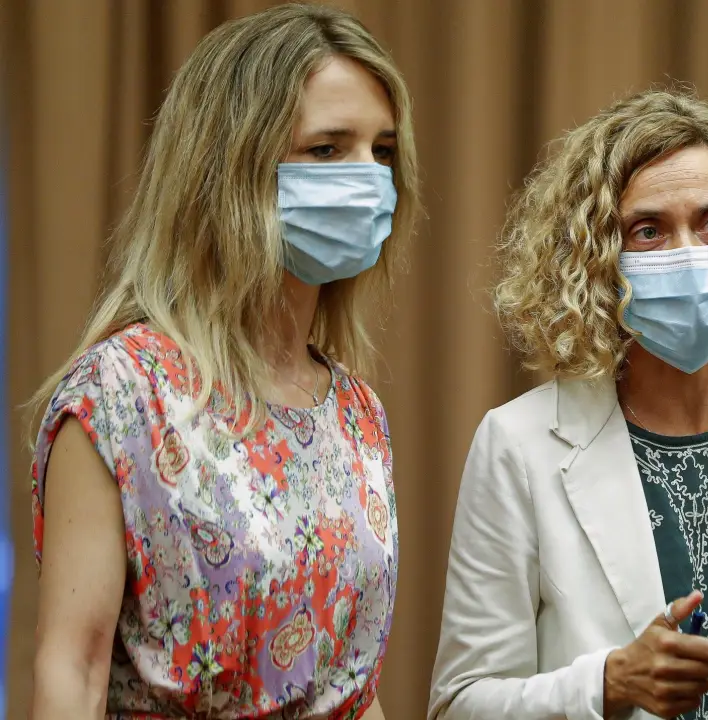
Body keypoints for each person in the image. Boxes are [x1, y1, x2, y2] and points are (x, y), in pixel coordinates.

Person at [28, 4, 421, 718]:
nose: (368, 178)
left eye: (383, 151)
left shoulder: (358, 413)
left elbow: (357, 691)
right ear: (232, 165)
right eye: (327, 149)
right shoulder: (121, 393)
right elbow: (72, 671)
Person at [428, 88, 708, 720]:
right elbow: (460, 703)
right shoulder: (520, 445)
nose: (688, 253)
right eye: (648, 231)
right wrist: (607, 685)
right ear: (601, 259)